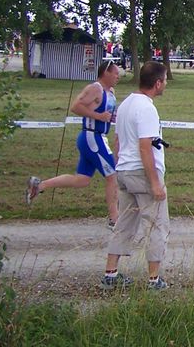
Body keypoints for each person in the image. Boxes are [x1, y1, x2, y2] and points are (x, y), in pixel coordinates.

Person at [26, 59, 122, 226]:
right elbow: (76, 107)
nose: (118, 76)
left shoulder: (111, 91)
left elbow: (107, 113)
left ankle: (39, 185)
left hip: (98, 137)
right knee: (112, 175)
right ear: (106, 72)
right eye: (115, 73)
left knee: (82, 180)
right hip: (92, 137)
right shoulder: (95, 88)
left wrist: (112, 118)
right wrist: (98, 117)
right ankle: (115, 218)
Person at [102, 60, 171, 290]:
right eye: (165, 81)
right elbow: (145, 147)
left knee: (124, 222)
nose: (165, 86)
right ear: (158, 83)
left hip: (123, 171)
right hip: (142, 172)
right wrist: (155, 184)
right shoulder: (147, 108)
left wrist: (117, 165)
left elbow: (118, 140)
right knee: (156, 224)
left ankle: (110, 274)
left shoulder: (125, 104)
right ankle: (154, 279)